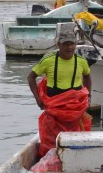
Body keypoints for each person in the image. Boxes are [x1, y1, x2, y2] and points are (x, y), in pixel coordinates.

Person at [27, 23, 93, 154]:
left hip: (76, 109)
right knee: (51, 141)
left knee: (77, 139)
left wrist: (88, 96)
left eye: (72, 44)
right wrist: (37, 99)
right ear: (59, 45)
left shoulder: (81, 61)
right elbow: (31, 77)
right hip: (54, 108)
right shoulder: (48, 60)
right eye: (66, 44)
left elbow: (87, 77)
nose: (69, 47)